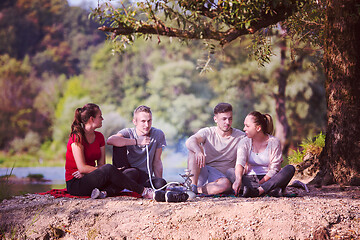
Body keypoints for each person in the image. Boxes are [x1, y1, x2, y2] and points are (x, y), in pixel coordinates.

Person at [65, 103, 154, 199]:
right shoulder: (76, 137)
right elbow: (82, 168)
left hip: (92, 177)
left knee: (131, 172)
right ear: (92, 119)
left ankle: (104, 193)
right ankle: (144, 191)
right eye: (100, 116)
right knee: (110, 169)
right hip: (76, 182)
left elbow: (101, 165)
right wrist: (96, 171)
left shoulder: (99, 137)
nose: (102, 119)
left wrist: (91, 171)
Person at [107, 105, 188, 202]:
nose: (147, 125)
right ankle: (108, 191)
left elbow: (157, 161)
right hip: (126, 172)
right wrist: (136, 141)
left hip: (143, 176)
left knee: (161, 183)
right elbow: (110, 140)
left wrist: (160, 188)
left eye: (149, 121)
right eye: (143, 121)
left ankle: (155, 192)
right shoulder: (128, 133)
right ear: (135, 122)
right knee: (131, 171)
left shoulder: (158, 134)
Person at [228, 111, 295, 197]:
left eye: (247, 126)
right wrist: (238, 180)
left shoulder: (274, 142)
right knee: (230, 171)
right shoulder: (244, 142)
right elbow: (240, 163)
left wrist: (262, 182)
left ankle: (257, 191)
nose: (244, 129)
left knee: (290, 169)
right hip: (249, 179)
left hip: (269, 178)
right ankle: (270, 190)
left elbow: (275, 169)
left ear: (258, 128)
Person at [185, 103, 246, 195]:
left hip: (223, 178)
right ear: (215, 119)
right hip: (204, 172)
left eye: (230, 119)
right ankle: (192, 186)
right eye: (224, 119)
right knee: (194, 149)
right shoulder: (208, 132)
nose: (227, 122)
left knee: (225, 184)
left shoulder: (240, 136)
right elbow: (190, 141)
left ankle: (195, 190)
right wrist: (198, 151)